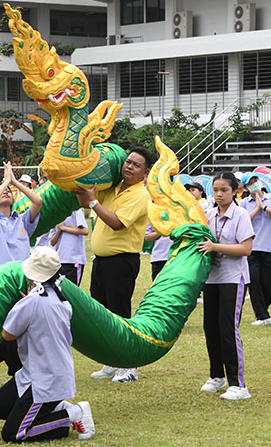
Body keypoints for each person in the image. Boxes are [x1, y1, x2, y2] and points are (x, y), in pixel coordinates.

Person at [0, 247, 95, 442]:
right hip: (42, 373)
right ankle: (57, 410)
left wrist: (22, 304)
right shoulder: (62, 300)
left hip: (45, 379)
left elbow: (7, 334)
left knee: (13, 433)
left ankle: (75, 413)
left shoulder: (32, 301)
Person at [72, 147, 152, 384]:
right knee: (102, 312)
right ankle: (111, 360)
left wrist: (93, 201)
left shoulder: (140, 195)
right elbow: (87, 204)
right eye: (128, 161)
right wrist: (84, 189)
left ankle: (129, 366)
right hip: (101, 260)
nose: (129, 166)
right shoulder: (114, 187)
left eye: (136, 165)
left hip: (122, 261)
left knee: (119, 312)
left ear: (145, 172)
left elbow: (117, 223)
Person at [0, 162, 43, 388]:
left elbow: (38, 201)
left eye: (8, 192)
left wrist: (14, 183)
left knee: (22, 329)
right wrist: (4, 182)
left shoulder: (22, 220)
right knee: (1, 331)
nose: (5, 192)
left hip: (24, 282)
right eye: (1, 189)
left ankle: (18, 371)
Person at [196, 172, 255, 401]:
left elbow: (246, 249)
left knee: (228, 329)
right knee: (210, 328)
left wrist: (215, 246)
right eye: (216, 190)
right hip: (212, 278)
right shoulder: (208, 214)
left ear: (235, 191)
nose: (219, 194)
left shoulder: (240, 215)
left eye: (224, 190)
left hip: (233, 277)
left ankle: (238, 384)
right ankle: (216, 376)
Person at [239, 175, 271, 326]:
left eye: (256, 182)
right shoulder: (243, 202)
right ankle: (261, 316)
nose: (254, 186)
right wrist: (256, 208)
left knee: (268, 285)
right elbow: (242, 220)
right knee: (253, 280)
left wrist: (265, 207)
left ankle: (262, 311)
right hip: (251, 247)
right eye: (251, 184)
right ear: (246, 187)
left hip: (270, 247)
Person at [49, 210, 88, 285]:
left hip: (73, 261)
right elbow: (52, 242)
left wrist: (64, 228)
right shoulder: (56, 213)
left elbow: (85, 231)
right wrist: (58, 231)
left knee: (72, 292)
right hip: (59, 261)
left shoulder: (76, 211)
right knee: (60, 291)